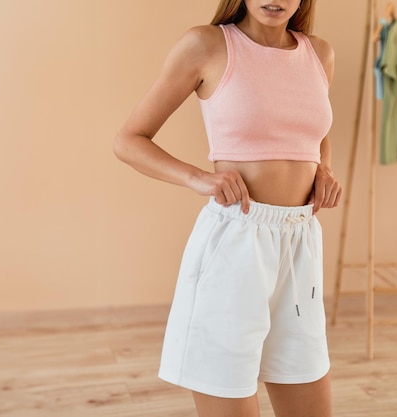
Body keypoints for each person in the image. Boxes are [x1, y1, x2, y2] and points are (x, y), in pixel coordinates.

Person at [113, 1, 341, 415]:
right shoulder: (206, 45)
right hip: (235, 244)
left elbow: (315, 130)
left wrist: (323, 169)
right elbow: (129, 140)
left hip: (299, 243)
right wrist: (199, 178)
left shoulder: (319, 53)